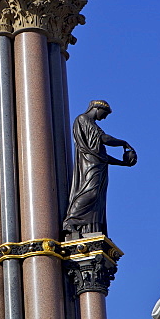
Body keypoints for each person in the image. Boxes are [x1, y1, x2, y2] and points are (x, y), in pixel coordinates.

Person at [62, 100, 136, 237]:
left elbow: (103, 156)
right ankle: (71, 221)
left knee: (97, 199)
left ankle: (88, 227)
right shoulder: (83, 119)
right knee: (90, 192)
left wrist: (123, 163)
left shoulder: (92, 124)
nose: (105, 117)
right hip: (88, 165)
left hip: (98, 165)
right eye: (105, 113)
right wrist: (123, 143)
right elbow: (104, 138)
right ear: (97, 108)